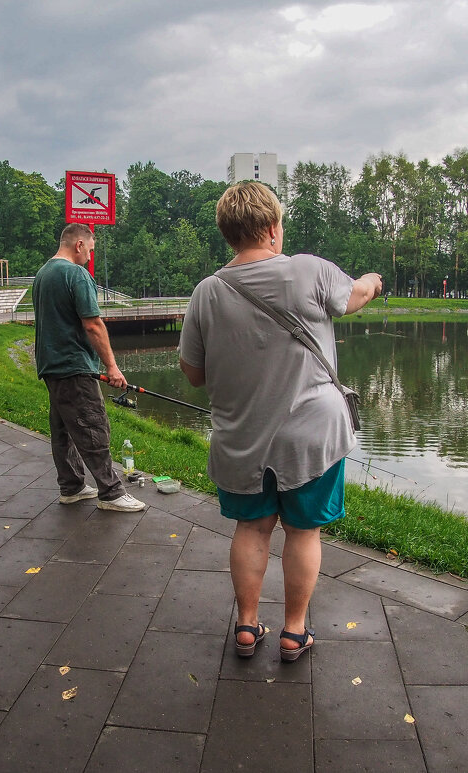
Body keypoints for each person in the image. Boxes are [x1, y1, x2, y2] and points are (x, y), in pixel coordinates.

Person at [178, 181, 382, 662]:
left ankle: (246, 628)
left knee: (251, 529)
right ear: (272, 228)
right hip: (312, 439)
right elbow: (352, 298)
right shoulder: (308, 271)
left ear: (229, 234)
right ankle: (294, 632)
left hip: (242, 440)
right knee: (303, 532)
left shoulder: (206, 293)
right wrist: (372, 282)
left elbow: (192, 374)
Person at [32, 223, 146, 513]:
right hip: (74, 366)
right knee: (92, 424)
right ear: (79, 245)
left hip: (51, 365)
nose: (90, 258)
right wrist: (113, 367)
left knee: (64, 429)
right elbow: (93, 324)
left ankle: (72, 487)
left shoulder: (43, 274)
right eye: (90, 250)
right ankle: (111, 492)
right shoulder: (75, 274)